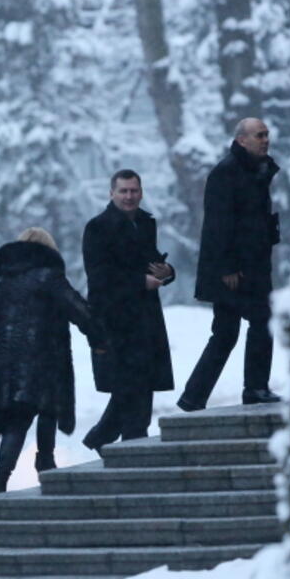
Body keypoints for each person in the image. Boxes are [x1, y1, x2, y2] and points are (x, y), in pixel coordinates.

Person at [0, 228, 104, 493]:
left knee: (17, 418)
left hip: (7, 363)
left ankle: (0, 474)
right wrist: (99, 337)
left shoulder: (3, 280)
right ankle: (45, 462)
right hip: (43, 358)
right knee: (48, 407)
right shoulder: (49, 277)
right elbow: (78, 309)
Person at [178, 118, 281, 411]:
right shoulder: (227, 173)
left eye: (266, 135)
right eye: (259, 135)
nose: (265, 140)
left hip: (251, 265)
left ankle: (195, 396)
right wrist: (226, 267)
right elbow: (218, 224)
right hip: (236, 270)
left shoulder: (254, 170)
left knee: (228, 332)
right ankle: (254, 388)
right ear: (241, 140)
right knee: (252, 324)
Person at [82, 170, 175, 452]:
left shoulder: (146, 223)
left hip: (145, 317)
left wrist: (168, 271)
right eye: (123, 191)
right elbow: (98, 277)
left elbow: (151, 262)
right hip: (115, 320)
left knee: (140, 386)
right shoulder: (97, 227)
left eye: (134, 191)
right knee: (129, 387)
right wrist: (139, 282)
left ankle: (109, 439)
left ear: (141, 192)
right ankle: (128, 444)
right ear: (111, 193)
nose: (129, 196)